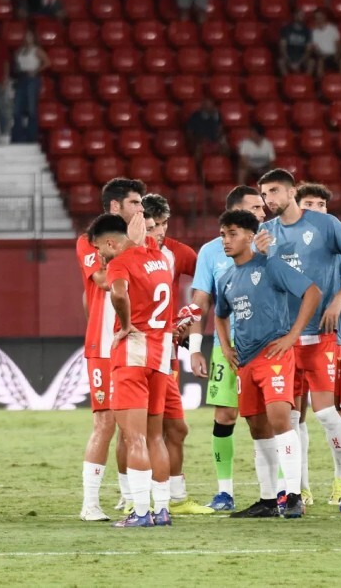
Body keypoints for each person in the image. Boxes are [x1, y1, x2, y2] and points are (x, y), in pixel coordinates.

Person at [256, 169, 341, 513]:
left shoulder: (326, 225)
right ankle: (292, 490)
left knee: (326, 414)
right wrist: (257, 255)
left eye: (275, 192)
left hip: (321, 335)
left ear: (292, 191)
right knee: (290, 419)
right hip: (283, 339)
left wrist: (340, 297)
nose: (269, 200)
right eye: (265, 195)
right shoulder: (264, 234)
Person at [215, 209, 323, 519]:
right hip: (246, 361)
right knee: (257, 428)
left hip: (274, 353)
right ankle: (266, 499)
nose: (226, 240)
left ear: (251, 236)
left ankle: (293, 497)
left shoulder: (271, 265)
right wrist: (225, 346)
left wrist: (292, 336)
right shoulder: (225, 278)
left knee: (279, 419)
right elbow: (220, 314)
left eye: (233, 234)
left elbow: (312, 292)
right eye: (223, 234)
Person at [88, 212, 174, 527]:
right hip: (161, 352)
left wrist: (124, 325)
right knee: (155, 438)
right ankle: (162, 510)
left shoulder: (120, 263)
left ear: (111, 242)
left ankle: (140, 513)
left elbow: (119, 292)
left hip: (133, 352)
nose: (100, 257)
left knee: (133, 436)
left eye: (100, 250)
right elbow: (142, 243)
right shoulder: (158, 256)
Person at [188, 186, 269, 511]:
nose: (263, 213)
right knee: (225, 415)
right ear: (237, 210)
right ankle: (225, 491)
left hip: (266, 345)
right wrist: (196, 347)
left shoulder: (270, 245)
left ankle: (286, 490)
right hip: (228, 346)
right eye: (255, 208)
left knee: (271, 417)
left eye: (263, 208)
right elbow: (201, 302)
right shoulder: (210, 252)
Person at [74, 178, 145, 521]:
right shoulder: (91, 242)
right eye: (134, 203)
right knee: (105, 423)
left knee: (130, 422)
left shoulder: (138, 245)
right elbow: (103, 281)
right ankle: (90, 504)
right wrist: (135, 246)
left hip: (132, 343)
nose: (140, 209)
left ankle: (130, 497)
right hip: (104, 345)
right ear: (116, 206)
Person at [140, 194, 215, 515]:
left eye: (163, 224)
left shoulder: (176, 253)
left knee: (173, 428)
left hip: (166, 353)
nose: (159, 231)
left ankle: (175, 496)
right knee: (141, 429)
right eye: (153, 225)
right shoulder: (129, 254)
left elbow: (206, 282)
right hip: (138, 351)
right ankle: (136, 495)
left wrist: (189, 321)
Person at [12, 31, 50, 144]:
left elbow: (47, 62)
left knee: (31, 108)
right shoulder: (20, 51)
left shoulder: (36, 50)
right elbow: (16, 64)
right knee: (17, 109)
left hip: (32, 78)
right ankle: (18, 136)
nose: (27, 38)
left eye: (30, 36)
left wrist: (36, 70)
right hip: (21, 77)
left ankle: (31, 136)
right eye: (26, 36)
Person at [185, 98, 229, 166]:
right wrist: (195, 139)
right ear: (202, 106)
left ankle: (220, 168)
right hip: (201, 141)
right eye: (205, 105)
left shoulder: (217, 116)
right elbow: (189, 132)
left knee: (225, 148)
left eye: (210, 105)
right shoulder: (195, 116)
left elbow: (220, 130)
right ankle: (196, 170)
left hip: (214, 140)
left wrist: (220, 139)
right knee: (198, 149)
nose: (208, 107)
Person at [309, 10, 341, 77]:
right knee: (320, 61)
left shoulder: (333, 29)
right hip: (322, 56)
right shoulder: (313, 32)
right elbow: (315, 48)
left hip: (333, 55)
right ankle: (321, 83)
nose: (319, 20)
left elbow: (338, 44)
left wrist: (337, 54)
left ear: (324, 17)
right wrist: (320, 54)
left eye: (320, 17)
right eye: (317, 18)